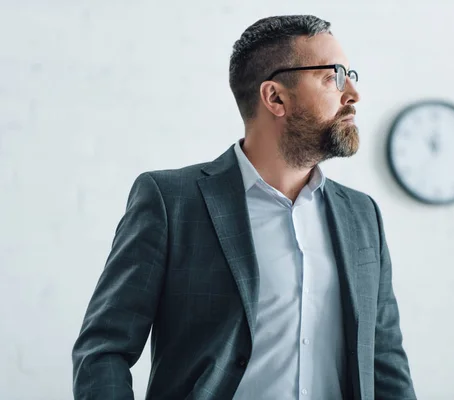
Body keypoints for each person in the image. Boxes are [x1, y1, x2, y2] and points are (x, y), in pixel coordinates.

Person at [72, 14, 417, 400]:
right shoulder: (172, 201)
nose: (352, 92)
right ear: (275, 97)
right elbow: (103, 351)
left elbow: (385, 363)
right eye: (332, 76)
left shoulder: (361, 215)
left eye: (350, 74)